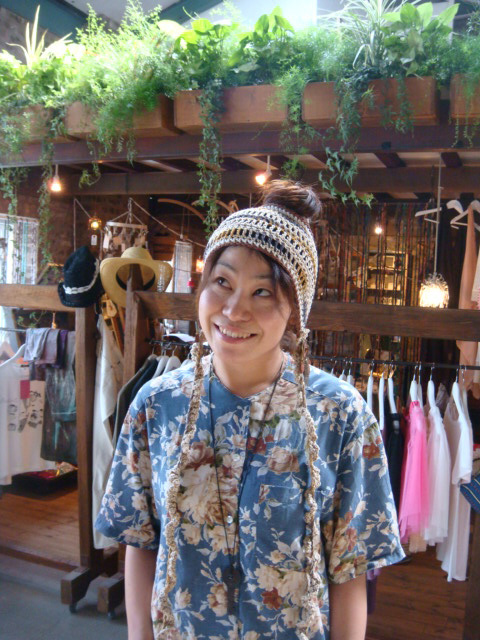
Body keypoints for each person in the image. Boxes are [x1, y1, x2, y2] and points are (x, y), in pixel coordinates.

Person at [95, 180, 404, 640]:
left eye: (263, 292)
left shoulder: (339, 415)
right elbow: (140, 541)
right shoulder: (156, 405)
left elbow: (349, 570)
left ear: (296, 310)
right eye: (222, 282)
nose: (234, 310)